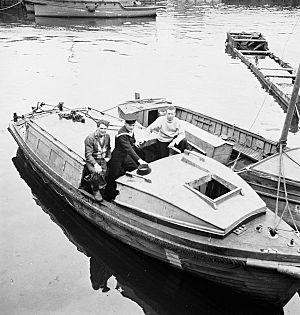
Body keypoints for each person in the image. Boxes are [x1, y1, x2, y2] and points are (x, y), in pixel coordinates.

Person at [105, 113, 146, 201]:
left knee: (134, 168)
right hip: (117, 156)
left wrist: (135, 143)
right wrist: (140, 160)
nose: (132, 127)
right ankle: (109, 195)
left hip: (125, 155)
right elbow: (129, 149)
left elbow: (131, 139)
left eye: (133, 125)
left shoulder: (129, 130)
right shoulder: (122, 134)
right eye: (130, 125)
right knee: (113, 175)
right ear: (125, 124)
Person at [83, 119, 111, 202]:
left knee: (104, 173)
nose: (103, 131)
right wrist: (95, 164)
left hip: (102, 160)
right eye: (101, 128)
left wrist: (108, 157)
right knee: (96, 172)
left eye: (105, 129)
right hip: (92, 161)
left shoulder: (107, 136)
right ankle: (95, 190)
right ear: (97, 128)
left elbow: (109, 148)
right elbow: (88, 155)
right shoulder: (90, 138)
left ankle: (102, 191)